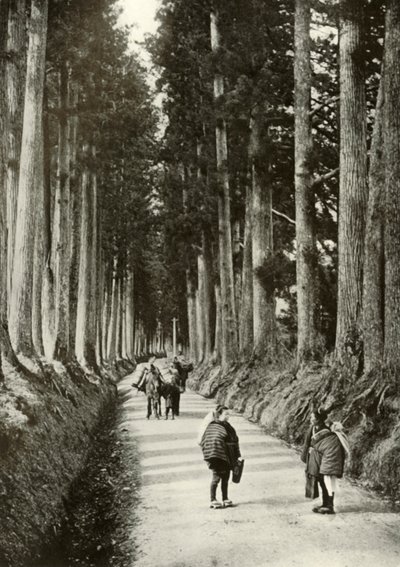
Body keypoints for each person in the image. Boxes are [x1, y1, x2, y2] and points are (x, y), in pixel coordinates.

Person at [301, 407, 349, 515]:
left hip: (327, 460)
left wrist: (315, 449)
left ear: (318, 419)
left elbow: (329, 447)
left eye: (312, 417)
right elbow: (307, 443)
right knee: (321, 482)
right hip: (317, 460)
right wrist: (306, 456)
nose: (310, 419)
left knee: (327, 481)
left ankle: (330, 506)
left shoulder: (327, 430)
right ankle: (324, 504)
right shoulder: (312, 428)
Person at [199, 405, 241, 509]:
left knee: (226, 478)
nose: (228, 417)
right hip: (217, 456)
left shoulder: (229, 426)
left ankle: (225, 498)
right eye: (226, 414)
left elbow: (235, 440)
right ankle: (213, 499)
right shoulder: (213, 425)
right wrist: (216, 452)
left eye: (229, 414)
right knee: (216, 478)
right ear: (219, 414)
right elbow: (210, 440)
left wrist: (237, 455)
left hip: (228, 456)